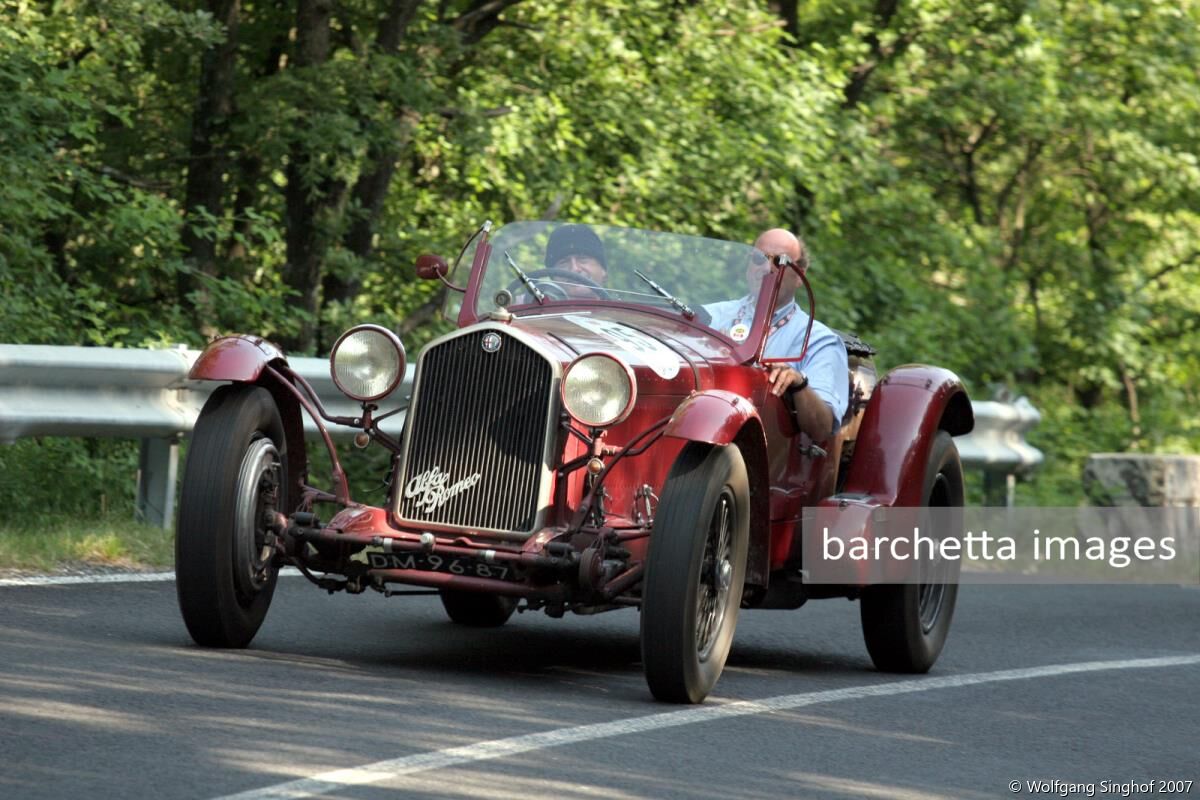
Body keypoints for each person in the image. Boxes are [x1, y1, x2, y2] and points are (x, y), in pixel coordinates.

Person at [705, 228, 848, 441]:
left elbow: (821, 429)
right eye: (758, 258)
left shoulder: (819, 340)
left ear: (801, 274)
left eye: (780, 261)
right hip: (699, 436)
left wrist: (799, 383)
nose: (765, 268)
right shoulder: (710, 317)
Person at [543, 224, 608, 294]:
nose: (574, 269)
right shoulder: (534, 304)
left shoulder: (619, 304)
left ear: (603, 271)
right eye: (563, 262)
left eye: (583, 259)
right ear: (553, 276)